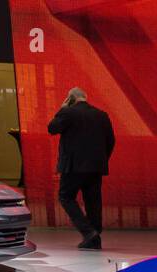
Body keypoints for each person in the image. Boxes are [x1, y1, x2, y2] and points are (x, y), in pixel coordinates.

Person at [47, 87, 115, 249]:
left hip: (73, 166)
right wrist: (102, 160)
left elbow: (52, 128)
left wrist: (62, 109)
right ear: (85, 97)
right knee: (93, 200)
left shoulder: (68, 113)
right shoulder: (101, 115)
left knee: (66, 197)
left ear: (71, 99)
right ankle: (95, 235)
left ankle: (88, 232)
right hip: (96, 166)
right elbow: (111, 141)